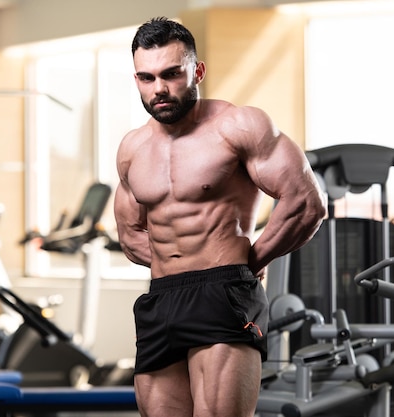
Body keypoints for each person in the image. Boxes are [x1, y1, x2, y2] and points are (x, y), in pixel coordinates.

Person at [113, 16, 327, 417]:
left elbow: (305, 203)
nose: (158, 88)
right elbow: (129, 234)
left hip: (223, 290)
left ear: (198, 71)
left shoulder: (238, 126)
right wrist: (171, 261)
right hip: (161, 298)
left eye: (171, 74)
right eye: (146, 77)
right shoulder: (132, 149)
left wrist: (252, 259)